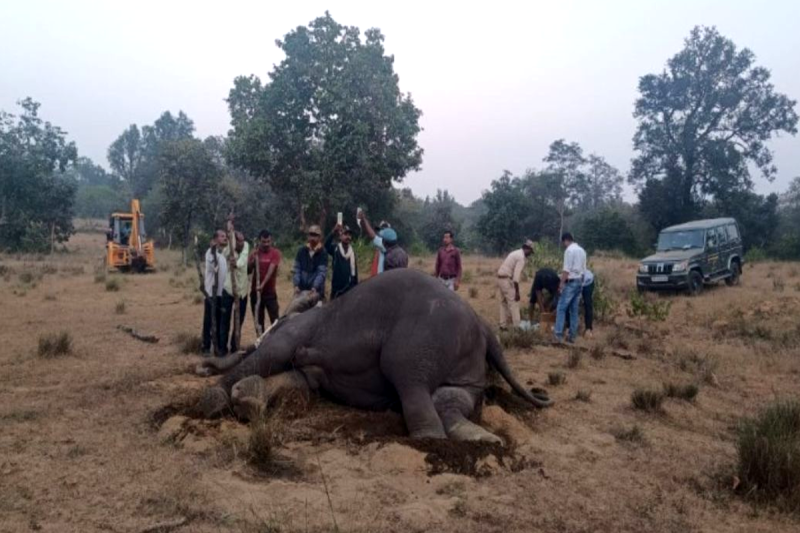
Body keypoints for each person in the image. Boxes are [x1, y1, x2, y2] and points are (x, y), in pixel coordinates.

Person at [554, 232, 587, 343]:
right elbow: (583, 270)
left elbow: (566, 270)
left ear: (566, 240)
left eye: (564, 243)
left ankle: (558, 335)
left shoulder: (569, 251)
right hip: (579, 282)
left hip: (571, 282)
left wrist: (561, 284)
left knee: (561, 308)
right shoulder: (582, 251)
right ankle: (572, 336)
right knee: (574, 310)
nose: (564, 245)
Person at [221, 231, 249, 354]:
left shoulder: (246, 246)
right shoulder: (228, 249)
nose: (241, 243)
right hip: (228, 290)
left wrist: (235, 264)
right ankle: (222, 349)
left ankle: (234, 346)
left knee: (239, 321)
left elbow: (242, 260)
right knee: (224, 320)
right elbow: (224, 255)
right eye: (239, 241)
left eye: (242, 240)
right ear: (234, 241)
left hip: (242, 291)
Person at [248, 230, 281, 332]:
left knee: (275, 321)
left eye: (268, 241)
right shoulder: (255, 253)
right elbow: (248, 271)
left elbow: (270, 272)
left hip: (269, 293)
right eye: (263, 242)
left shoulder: (275, 253)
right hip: (255, 293)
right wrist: (252, 262)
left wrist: (261, 285)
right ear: (259, 241)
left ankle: (276, 343)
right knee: (258, 321)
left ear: (271, 241)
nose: (266, 244)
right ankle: (261, 343)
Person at [496, 240, 534, 329]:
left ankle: (503, 325)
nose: (530, 254)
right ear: (527, 249)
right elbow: (516, 279)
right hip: (506, 280)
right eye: (530, 252)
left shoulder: (515, 252)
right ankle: (517, 327)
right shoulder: (521, 258)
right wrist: (517, 293)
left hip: (500, 278)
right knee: (514, 303)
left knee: (503, 303)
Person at [202, 230, 228, 356]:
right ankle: (205, 347)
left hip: (220, 294)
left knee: (217, 320)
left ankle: (216, 346)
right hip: (210, 293)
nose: (225, 238)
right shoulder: (210, 253)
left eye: (225, 236)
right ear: (215, 239)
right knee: (208, 320)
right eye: (222, 236)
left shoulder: (222, 256)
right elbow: (214, 268)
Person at [292, 225, 328, 300]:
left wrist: (315, 286)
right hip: (301, 290)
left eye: (315, 235)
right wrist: (296, 285)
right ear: (308, 236)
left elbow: (321, 273)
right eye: (311, 235)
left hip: (316, 291)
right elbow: (297, 269)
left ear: (319, 237)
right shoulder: (301, 251)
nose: (312, 238)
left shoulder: (323, 253)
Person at [325, 224, 358, 299]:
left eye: (349, 235)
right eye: (345, 234)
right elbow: (326, 246)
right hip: (337, 290)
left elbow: (355, 273)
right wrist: (333, 232)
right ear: (340, 236)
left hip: (349, 289)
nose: (348, 237)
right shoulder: (335, 248)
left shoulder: (353, 252)